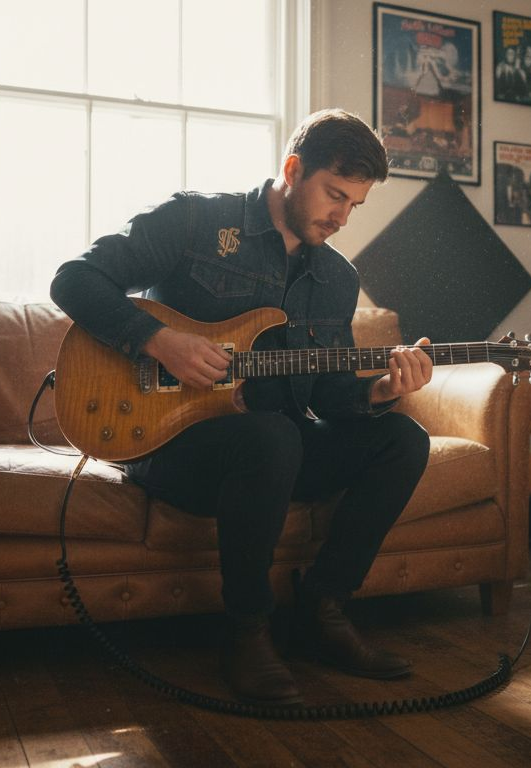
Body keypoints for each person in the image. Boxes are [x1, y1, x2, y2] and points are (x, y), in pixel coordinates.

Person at [49, 109, 434, 706]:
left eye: (354, 205)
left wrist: (379, 392)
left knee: (402, 439)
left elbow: (331, 399)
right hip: (169, 442)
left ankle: (323, 609)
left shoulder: (336, 279)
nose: (341, 217)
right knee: (271, 437)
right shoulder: (196, 221)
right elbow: (74, 279)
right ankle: (247, 631)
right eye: (334, 195)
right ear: (292, 169)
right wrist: (158, 340)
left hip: (272, 450)